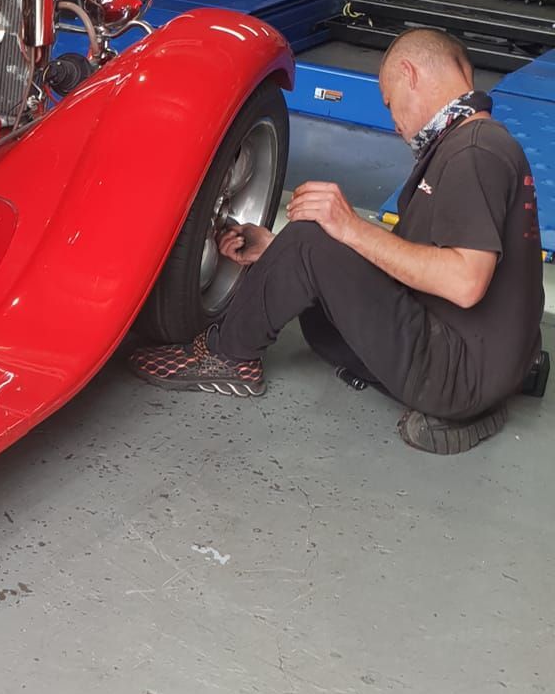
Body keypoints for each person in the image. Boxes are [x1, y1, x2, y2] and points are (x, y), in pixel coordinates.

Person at [129, 29, 544, 454]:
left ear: (409, 73)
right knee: (317, 298)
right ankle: (488, 395)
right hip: (488, 359)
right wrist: (282, 254)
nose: (393, 120)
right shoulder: (473, 143)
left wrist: (346, 228)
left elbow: (465, 282)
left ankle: (226, 355)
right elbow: (399, 267)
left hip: (455, 373)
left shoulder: (473, 151)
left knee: (315, 234)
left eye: (389, 101)